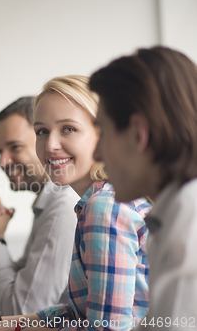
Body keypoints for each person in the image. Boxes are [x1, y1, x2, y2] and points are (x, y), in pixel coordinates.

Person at [0, 75, 151, 331]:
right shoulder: (95, 202)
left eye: (68, 128)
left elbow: (105, 328)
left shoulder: (104, 207)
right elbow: (75, 313)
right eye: (42, 132)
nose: (50, 145)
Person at [90, 46, 197, 330]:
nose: (97, 154)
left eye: (103, 132)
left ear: (138, 133)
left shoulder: (189, 224)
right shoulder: (174, 212)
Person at [0, 97, 79, 315]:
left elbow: (23, 315)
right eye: (0, 151)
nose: (2, 162)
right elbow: (22, 285)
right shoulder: (48, 204)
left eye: (15, 147)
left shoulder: (64, 208)